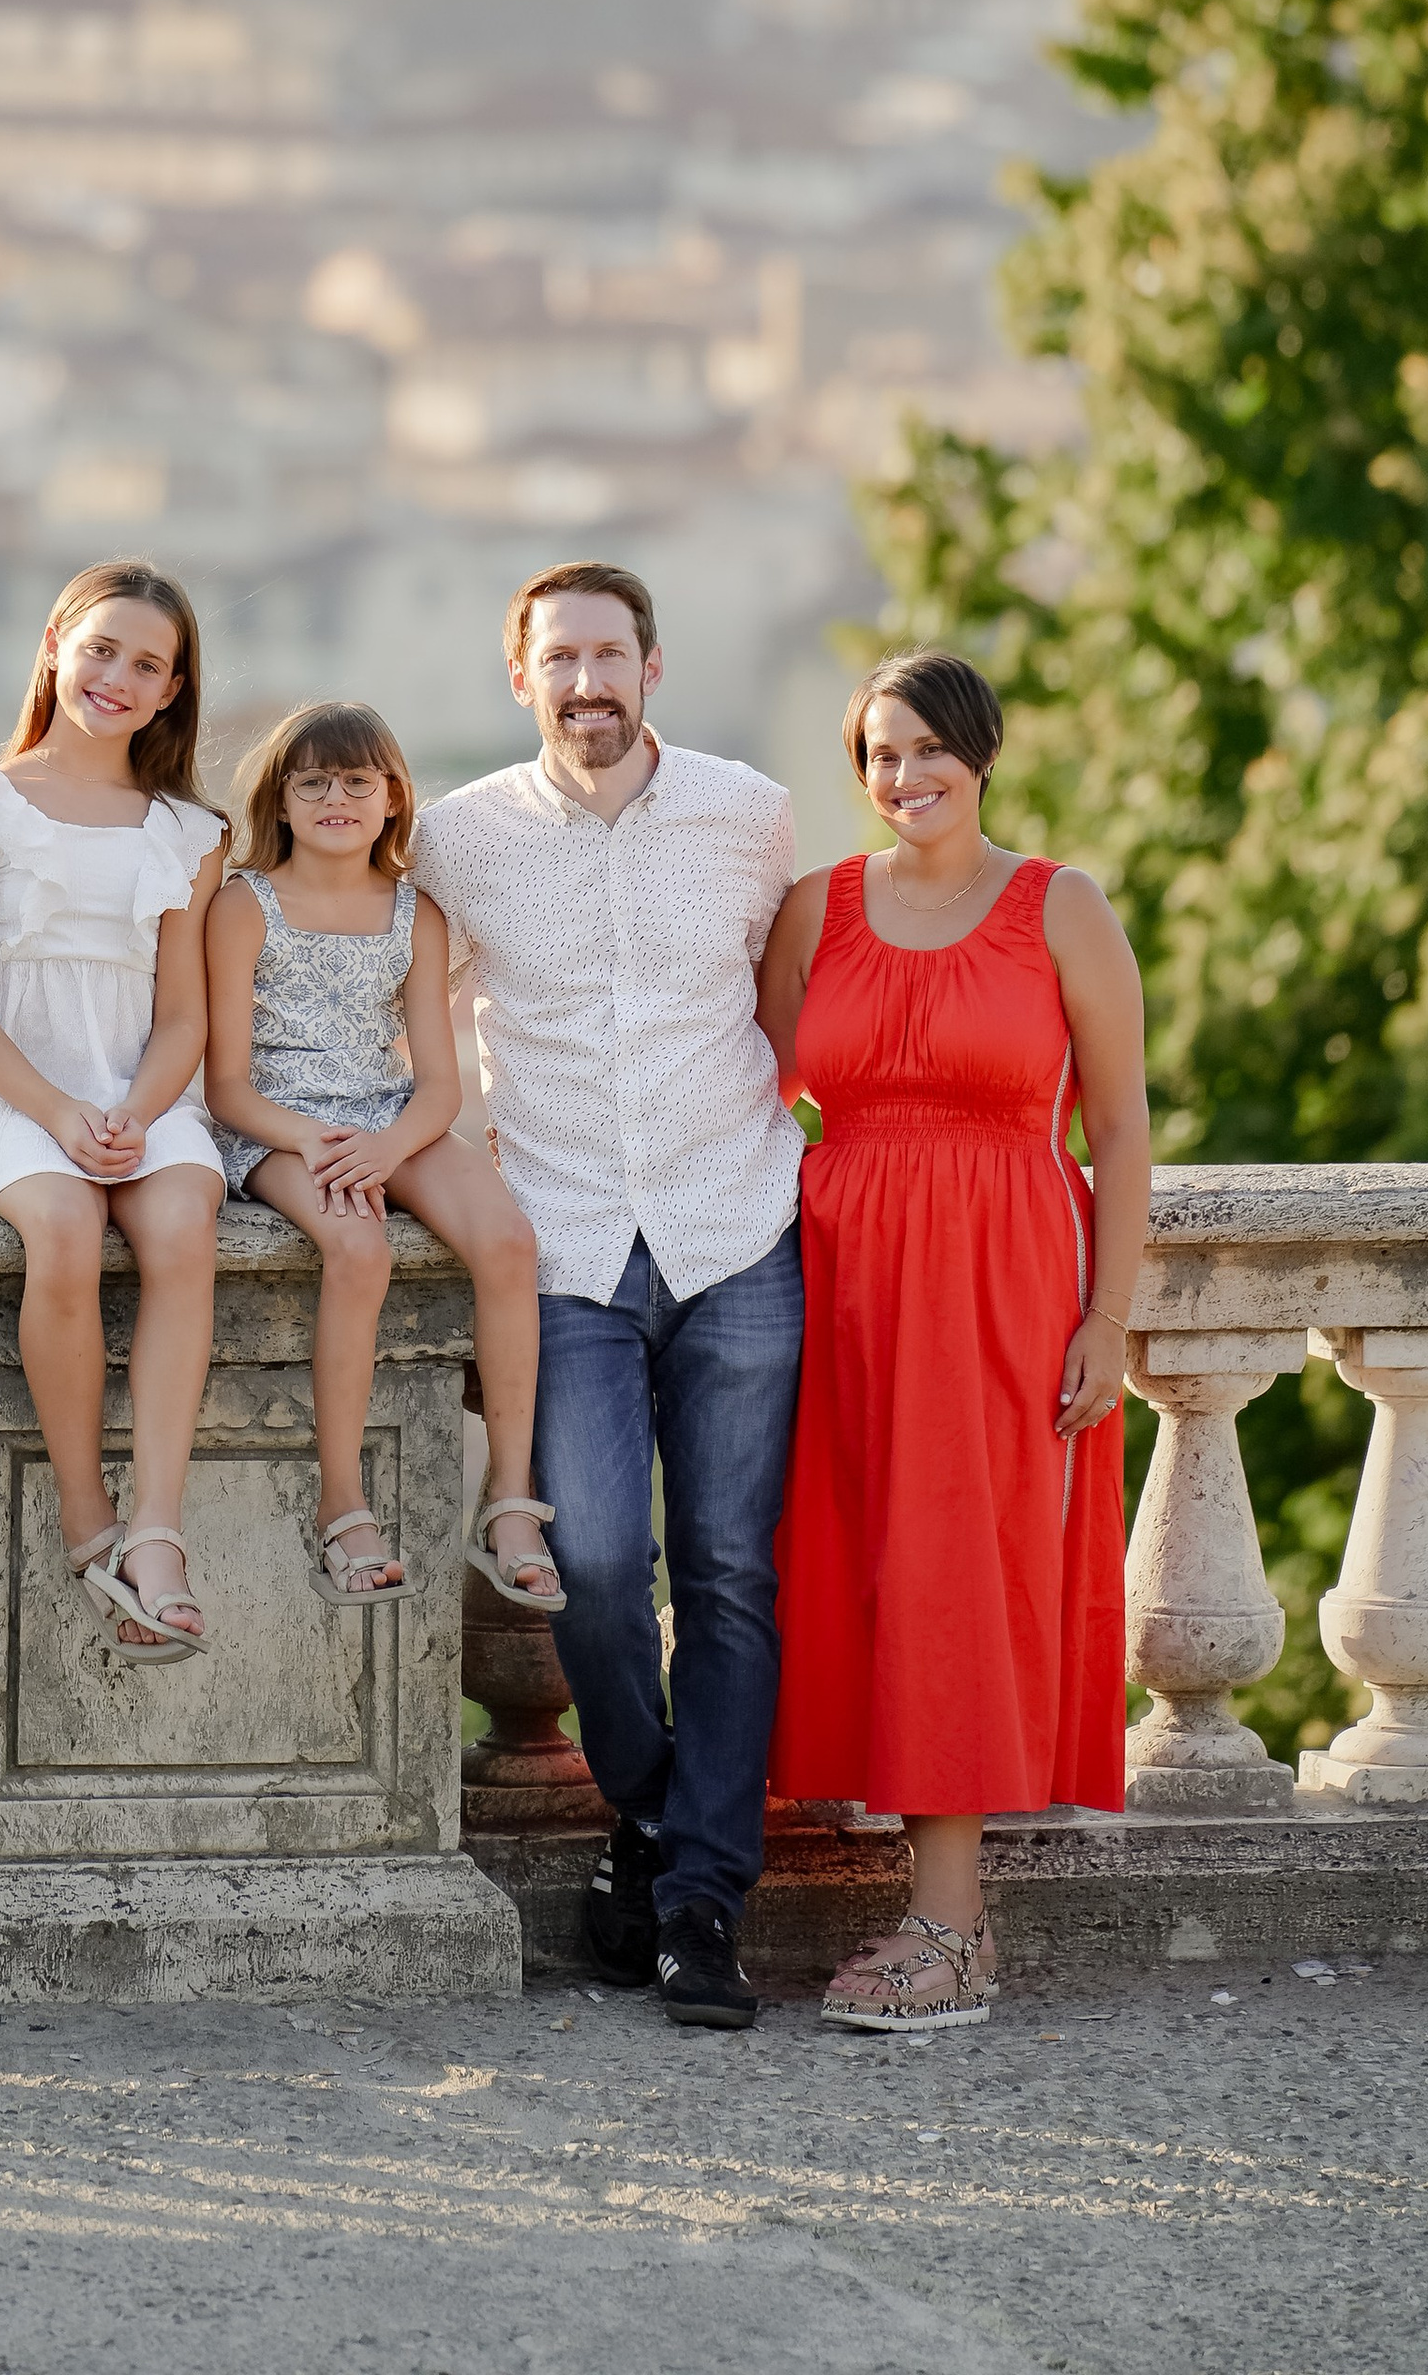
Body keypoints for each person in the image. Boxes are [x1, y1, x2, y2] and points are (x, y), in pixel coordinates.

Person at [409, 563, 801, 2030]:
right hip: (561, 1248)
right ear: (522, 678)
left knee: (729, 1572)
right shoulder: (457, 840)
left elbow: (788, 1008)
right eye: (560, 659)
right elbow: (403, 1023)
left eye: (611, 655)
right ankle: (645, 1808)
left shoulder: (751, 816)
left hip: (737, 1229)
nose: (588, 682)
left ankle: (701, 1897)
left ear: (652, 668)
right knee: (587, 1566)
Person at [757, 650, 1147, 2033]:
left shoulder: (1062, 905)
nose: (904, 775)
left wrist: (1109, 1317)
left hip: (1003, 1276)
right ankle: (896, 1904)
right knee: (843, 1560)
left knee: (958, 1568)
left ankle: (953, 1928)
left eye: (929, 748)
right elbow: (754, 1087)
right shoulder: (815, 908)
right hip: (838, 1275)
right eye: (879, 753)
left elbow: (1121, 1130)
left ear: (981, 754)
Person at [0, 562, 227, 1657]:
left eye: (146, 665)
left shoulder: (187, 830)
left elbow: (184, 1017)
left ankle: (156, 1528)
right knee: (62, 1223)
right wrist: (55, 1111)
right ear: (54, 646)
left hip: (139, 1088)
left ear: (172, 690)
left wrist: (135, 1110)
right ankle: (86, 1511)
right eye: (100, 649)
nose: (117, 678)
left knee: (183, 1223)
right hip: (6, 1092)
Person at [203, 700, 558, 1613]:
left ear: (393, 798)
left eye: (358, 781)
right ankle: (343, 1504)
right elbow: (227, 1086)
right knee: (359, 1248)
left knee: (509, 1241)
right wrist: (312, 1141)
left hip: (388, 1119)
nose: (336, 798)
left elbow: (439, 1085)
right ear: (281, 801)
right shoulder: (244, 906)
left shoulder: (415, 914)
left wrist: (388, 1147)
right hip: (282, 1126)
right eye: (314, 782)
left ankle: (510, 1499)